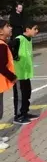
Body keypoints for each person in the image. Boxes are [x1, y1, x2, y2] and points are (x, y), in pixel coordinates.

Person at [11, 23, 39, 125]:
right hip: (18, 74)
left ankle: (25, 113)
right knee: (19, 95)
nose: (37, 31)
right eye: (35, 29)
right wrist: (14, 57)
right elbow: (9, 48)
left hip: (26, 73)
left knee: (26, 93)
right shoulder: (19, 39)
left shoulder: (29, 39)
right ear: (27, 29)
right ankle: (18, 116)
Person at [0, 20, 17, 150]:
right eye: (7, 26)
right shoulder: (1, 46)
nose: (10, 28)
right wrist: (13, 77)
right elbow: (1, 66)